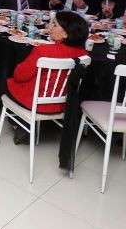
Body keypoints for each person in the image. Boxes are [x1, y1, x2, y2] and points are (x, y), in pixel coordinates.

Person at [5, 11, 89, 143]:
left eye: (54, 24)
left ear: (66, 34)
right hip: (66, 103)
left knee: (7, 82)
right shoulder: (84, 55)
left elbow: (19, 76)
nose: (49, 26)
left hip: (37, 103)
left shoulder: (43, 51)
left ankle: (22, 125)